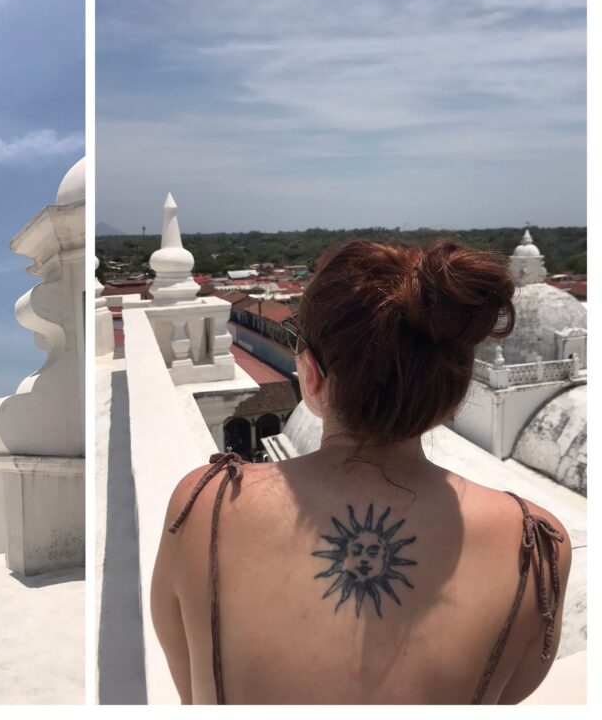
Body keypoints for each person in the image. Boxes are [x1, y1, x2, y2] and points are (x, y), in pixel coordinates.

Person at [151, 239, 571, 704]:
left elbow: (190, 691)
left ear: (311, 374)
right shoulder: (536, 548)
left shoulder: (203, 509)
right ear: (453, 394)